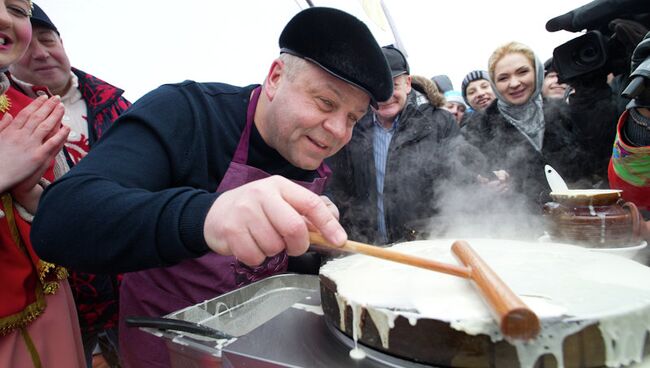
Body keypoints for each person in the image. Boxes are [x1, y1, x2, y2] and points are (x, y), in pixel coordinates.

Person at [30, 7, 393, 368]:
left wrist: (312, 244)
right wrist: (208, 216)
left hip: (259, 347)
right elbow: (61, 220)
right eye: (325, 102)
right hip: (166, 347)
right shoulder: (188, 113)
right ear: (276, 77)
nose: (338, 131)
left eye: (352, 118)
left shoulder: (327, 150)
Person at [8, 4, 130, 367]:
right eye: (31, 46)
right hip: (60, 292)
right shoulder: (14, 113)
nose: (42, 53)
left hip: (128, 281)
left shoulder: (117, 104)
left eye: (49, 41)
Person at [326, 45, 483, 245]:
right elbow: (336, 186)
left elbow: (457, 181)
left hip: (424, 245)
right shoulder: (351, 128)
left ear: (407, 84)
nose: (384, 96)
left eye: (392, 85)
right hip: (366, 247)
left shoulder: (438, 122)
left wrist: (479, 178)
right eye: (376, 87)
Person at [0, 0, 85, 366]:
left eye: (17, 9)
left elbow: (66, 211)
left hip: (48, 304)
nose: (5, 17)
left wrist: (31, 194)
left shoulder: (31, 105)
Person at [461, 42, 587, 223]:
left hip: (577, 222)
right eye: (503, 78)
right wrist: (486, 183)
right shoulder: (479, 128)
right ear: (495, 84)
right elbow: (464, 176)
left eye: (522, 72)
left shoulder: (565, 114)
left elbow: (594, 168)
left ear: (537, 73)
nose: (514, 83)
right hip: (515, 227)